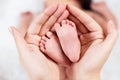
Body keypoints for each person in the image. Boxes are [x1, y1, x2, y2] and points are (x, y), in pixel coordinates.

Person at [9, 0, 118, 80]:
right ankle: (64, 53)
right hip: (73, 42)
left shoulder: (90, 16)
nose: (59, 10)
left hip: (76, 40)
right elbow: (111, 26)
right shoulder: (89, 17)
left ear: (81, 5)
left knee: (28, 42)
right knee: (29, 41)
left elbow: (26, 39)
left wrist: (24, 21)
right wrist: (106, 12)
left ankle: (63, 54)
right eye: (48, 5)